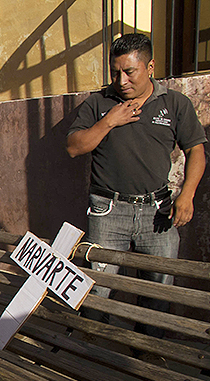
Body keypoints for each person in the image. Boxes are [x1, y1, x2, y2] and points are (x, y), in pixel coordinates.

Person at [66, 33, 206, 335]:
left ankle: (147, 354)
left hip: (158, 211)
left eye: (129, 71)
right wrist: (109, 121)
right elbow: (74, 147)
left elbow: (196, 150)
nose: (121, 80)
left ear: (150, 66)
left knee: (158, 291)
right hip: (107, 210)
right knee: (98, 287)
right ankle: (91, 349)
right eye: (115, 72)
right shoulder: (99, 103)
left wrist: (188, 194)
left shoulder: (175, 104)